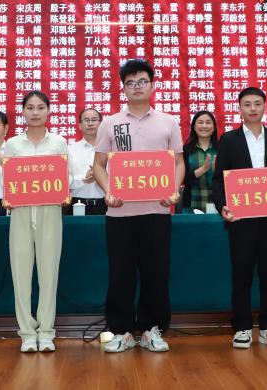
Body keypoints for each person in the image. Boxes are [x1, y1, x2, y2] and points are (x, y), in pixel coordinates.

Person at [92, 59, 185, 354]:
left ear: (152, 85)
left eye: (142, 81)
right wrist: (109, 191)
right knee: (120, 273)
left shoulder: (168, 122)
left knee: (156, 272)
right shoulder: (110, 122)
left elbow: (178, 162)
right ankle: (121, 331)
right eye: (130, 83)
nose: (136, 87)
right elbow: (99, 165)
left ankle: (150, 329)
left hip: (157, 211)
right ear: (123, 88)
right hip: (120, 213)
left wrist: (173, 190)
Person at [212, 87, 267, 349]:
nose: (253, 108)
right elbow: (219, 180)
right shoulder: (229, 139)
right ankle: (242, 327)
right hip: (241, 220)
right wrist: (223, 206)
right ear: (239, 108)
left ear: (265, 107)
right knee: (242, 274)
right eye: (247, 104)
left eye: (257, 103)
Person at [2, 91, 70, 353]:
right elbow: (7, 178)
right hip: (20, 211)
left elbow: (67, 177)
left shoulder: (59, 143)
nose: (35, 112)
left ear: (49, 111)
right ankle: (27, 333)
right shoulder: (13, 145)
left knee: (49, 272)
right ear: (23, 112)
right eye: (30, 107)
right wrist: (8, 196)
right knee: (20, 273)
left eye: (40, 107)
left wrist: (64, 190)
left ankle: (46, 331)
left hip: (50, 210)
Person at [67, 108, 106, 215]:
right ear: (80, 125)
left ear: (101, 124)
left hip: (106, 203)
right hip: (77, 204)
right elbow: (65, 180)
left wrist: (100, 175)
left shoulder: (110, 149)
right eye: (86, 120)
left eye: (94, 120)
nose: (90, 123)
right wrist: (84, 179)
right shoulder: (70, 150)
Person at [180, 110, 219, 213]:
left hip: (218, 203)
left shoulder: (221, 149)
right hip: (192, 203)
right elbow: (181, 179)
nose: (204, 126)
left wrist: (217, 172)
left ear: (214, 127)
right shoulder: (186, 150)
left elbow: (229, 179)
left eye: (208, 122)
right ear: (194, 126)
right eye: (200, 122)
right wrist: (202, 170)